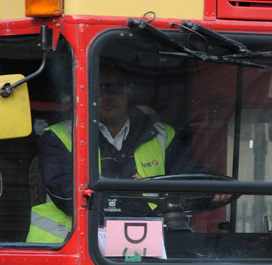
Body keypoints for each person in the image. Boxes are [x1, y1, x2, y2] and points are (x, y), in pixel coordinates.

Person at [27, 62, 226, 243]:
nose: (107, 95)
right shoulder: (58, 137)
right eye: (98, 87)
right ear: (86, 91)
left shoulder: (161, 134)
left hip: (142, 245)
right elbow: (68, 197)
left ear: (129, 92)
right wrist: (133, 191)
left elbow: (189, 173)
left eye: (116, 87)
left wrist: (215, 183)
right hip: (73, 248)